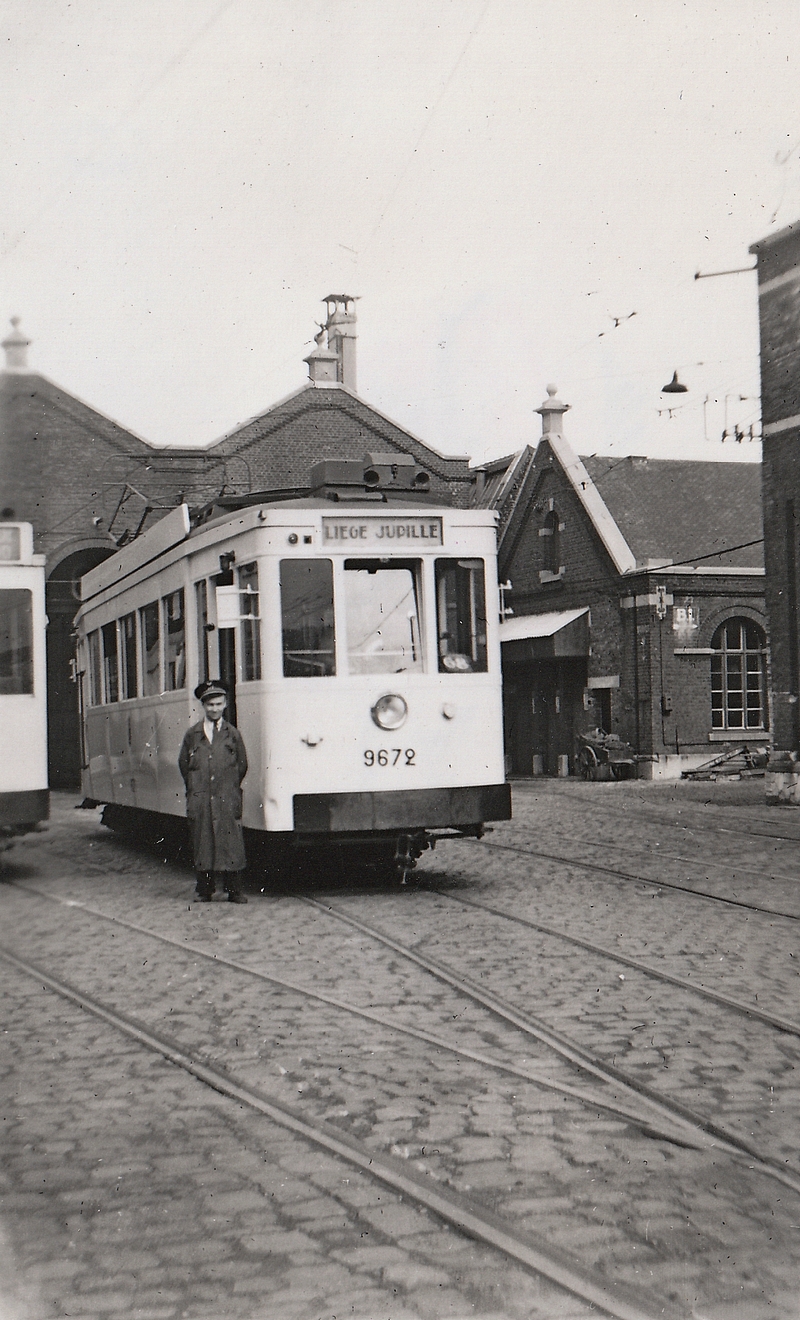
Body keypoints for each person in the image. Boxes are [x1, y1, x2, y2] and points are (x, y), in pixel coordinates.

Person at [178, 680, 249, 903]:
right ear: (203, 706)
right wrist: (197, 788)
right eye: (210, 705)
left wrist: (227, 787)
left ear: (225, 704)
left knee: (230, 842)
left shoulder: (233, 734)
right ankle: (204, 890)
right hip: (201, 797)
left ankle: (234, 890)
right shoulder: (193, 735)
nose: (214, 709)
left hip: (226, 796)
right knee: (203, 841)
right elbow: (184, 765)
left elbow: (242, 764)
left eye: (218, 704)